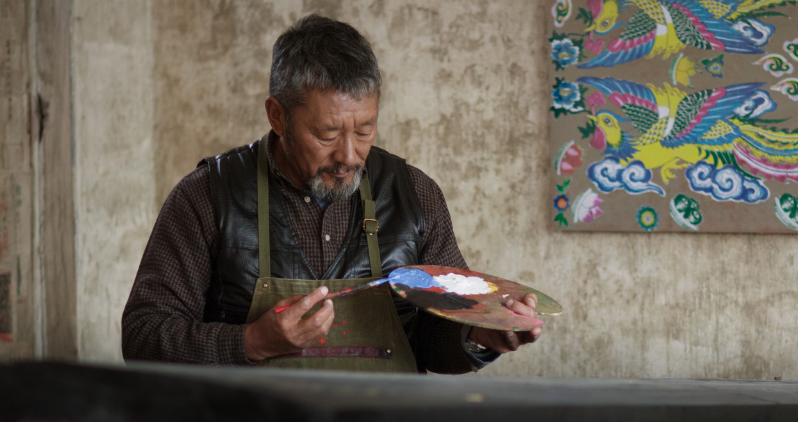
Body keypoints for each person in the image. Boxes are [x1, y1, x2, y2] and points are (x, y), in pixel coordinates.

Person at [121, 15, 543, 373]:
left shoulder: (415, 195)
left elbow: (436, 337)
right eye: (327, 133)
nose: (348, 155)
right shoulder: (208, 197)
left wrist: (482, 333)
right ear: (277, 116)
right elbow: (142, 337)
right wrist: (250, 342)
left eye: (364, 131)